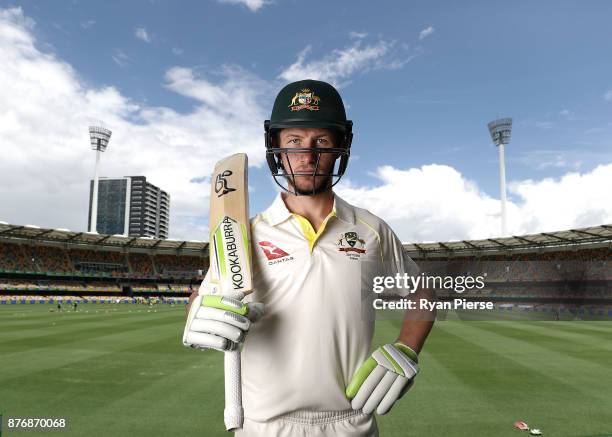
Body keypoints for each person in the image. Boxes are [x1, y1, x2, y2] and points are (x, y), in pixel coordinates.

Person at [183, 79, 435, 436]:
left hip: (351, 423)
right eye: (294, 141)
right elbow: (205, 296)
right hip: (262, 425)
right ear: (277, 148)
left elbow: (422, 291)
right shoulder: (245, 232)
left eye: (321, 141)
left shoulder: (371, 230)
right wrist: (198, 312)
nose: (307, 155)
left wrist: (408, 347)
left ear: (340, 147)